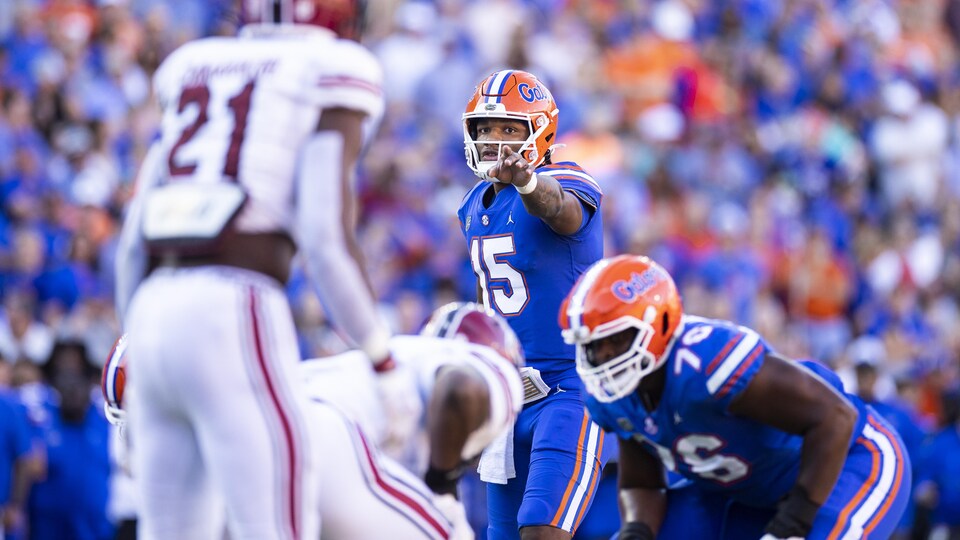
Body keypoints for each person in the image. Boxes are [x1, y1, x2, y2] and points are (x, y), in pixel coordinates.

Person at [113, 2, 393, 538]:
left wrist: (136, 342)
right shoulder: (328, 68)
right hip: (234, 304)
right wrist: (380, 357)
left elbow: (132, 245)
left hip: (151, 310)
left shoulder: (193, 65)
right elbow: (325, 239)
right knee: (275, 526)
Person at [559, 254, 911, 540]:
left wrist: (793, 521)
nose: (603, 357)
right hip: (742, 491)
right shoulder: (610, 395)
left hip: (846, 462)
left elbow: (836, 418)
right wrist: (636, 530)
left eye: (616, 339)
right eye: (593, 346)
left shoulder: (706, 364)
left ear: (659, 323)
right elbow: (642, 483)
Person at [102, 303, 525, 539]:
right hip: (320, 441)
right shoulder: (479, 366)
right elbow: (461, 391)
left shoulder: (364, 370)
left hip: (253, 448)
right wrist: (442, 483)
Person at [457, 69, 607, 539]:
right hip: (509, 394)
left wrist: (527, 183)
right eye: (485, 127)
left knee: (542, 528)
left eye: (508, 128)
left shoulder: (562, 178)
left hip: (569, 389)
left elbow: (558, 208)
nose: (492, 139)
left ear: (539, 131)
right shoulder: (472, 205)